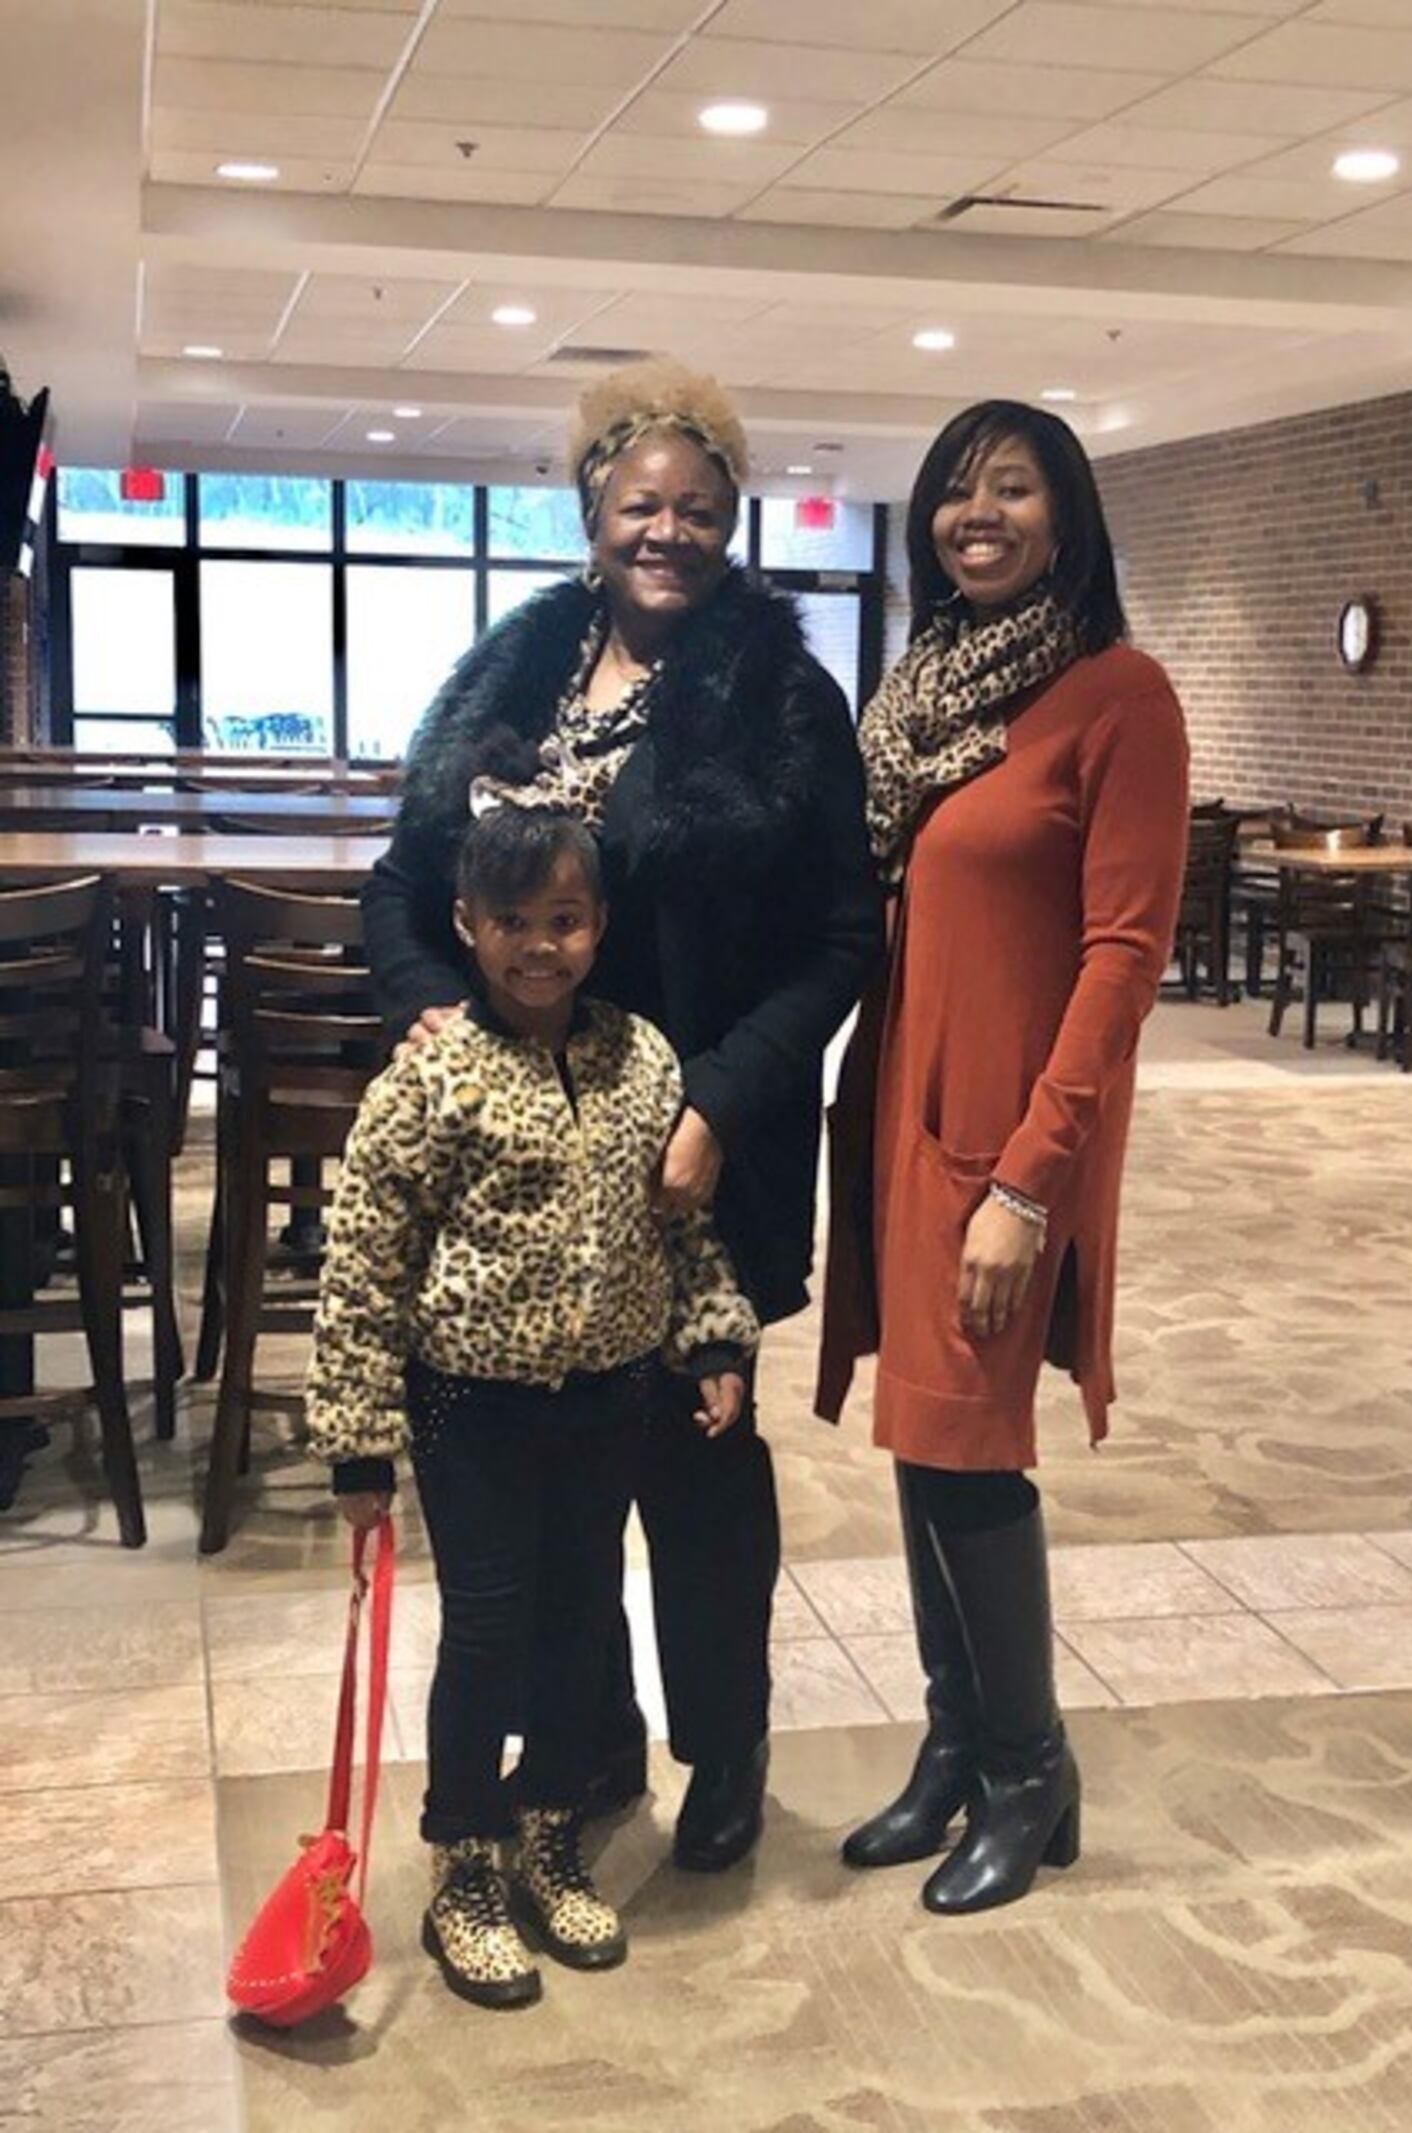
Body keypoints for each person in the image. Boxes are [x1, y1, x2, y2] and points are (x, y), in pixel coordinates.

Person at [360, 359, 880, 1871]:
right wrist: (429, 1007)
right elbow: (405, 889)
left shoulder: (781, 695)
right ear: (592, 512)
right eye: (643, 504)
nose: (670, 531)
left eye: (700, 510)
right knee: (558, 1492)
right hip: (521, 1176)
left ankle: (726, 1745)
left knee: (699, 1465)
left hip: (701, 1146)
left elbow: (844, 937)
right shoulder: (511, 668)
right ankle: (588, 1745)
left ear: (734, 522)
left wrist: (720, 1099)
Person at [817, 400, 1189, 1915]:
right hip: (902, 1107)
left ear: (1070, 515)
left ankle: (1031, 1768)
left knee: (972, 1445)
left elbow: (1124, 956)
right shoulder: (924, 698)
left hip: (1004, 1137)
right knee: (921, 1437)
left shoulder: (1119, 696)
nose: (981, 513)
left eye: (1014, 488)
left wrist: (1030, 1179)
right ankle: (958, 1742)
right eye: (957, 492)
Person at [307, 802, 760, 2008]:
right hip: (472, 1407)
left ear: (599, 927)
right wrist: (358, 1444)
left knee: (579, 1621)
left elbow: (682, 1227)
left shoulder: (642, 1061)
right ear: (466, 926)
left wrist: (710, 1339)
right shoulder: (431, 1079)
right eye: (512, 923)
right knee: (489, 1632)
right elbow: (364, 1263)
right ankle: (465, 1859)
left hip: (606, 1394)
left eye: (564, 921)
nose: (539, 947)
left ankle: (551, 1834)